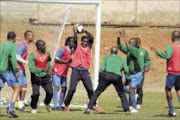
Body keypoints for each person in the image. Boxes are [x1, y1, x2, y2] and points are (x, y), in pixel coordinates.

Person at [84, 46, 130, 115]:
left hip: (107, 75)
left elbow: (102, 69)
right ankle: (127, 110)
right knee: (121, 93)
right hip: (117, 76)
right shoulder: (120, 59)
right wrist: (127, 79)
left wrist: (100, 77)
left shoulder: (107, 58)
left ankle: (88, 109)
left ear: (110, 52)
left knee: (97, 92)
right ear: (117, 52)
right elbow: (126, 70)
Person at [64, 26, 99, 112]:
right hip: (76, 70)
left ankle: (93, 105)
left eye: (86, 42)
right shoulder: (76, 47)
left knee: (90, 89)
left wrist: (85, 31)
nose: (85, 43)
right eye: (83, 41)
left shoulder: (89, 47)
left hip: (85, 71)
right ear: (81, 41)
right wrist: (75, 32)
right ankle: (66, 105)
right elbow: (75, 40)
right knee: (72, 89)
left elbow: (92, 38)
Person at [151, 30, 180, 117]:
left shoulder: (171, 46)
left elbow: (166, 55)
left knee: (168, 89)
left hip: (173, 71)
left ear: (172, 36)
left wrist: (157, 51)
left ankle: (171, 111)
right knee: (178, 89)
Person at [117, 30, 144, 113]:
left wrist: (124, 36)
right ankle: (133, 95)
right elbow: (120, 46)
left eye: (130, 42)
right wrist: (118, 38)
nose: (128, 43)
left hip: (137, 74)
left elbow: (128, 47)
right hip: (129, 73)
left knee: (132, 88)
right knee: (120, 84)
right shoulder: (129, 51)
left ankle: (134, 108)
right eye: (128, 42)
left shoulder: (136, 51)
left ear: (135, 45)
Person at [28, 40, 53, 113]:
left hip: (45, 76)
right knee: (36, 94)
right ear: (39, 47)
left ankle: (47, 102)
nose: (45, 46)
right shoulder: (33, 55)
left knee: (50, 92)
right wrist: (42, 69)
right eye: (43, 45)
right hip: (35, 77)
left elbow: (48, 61)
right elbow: (31, 68)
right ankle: (33, 108)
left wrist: (50, 70)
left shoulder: (47, 53)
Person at [0, 31, 21, 117]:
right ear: (14, 38)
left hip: (0, 70)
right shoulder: (14, 46)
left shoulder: (2, 45)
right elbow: (13, 59)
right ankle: (11, 108)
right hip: (7, 70)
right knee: (17, 88)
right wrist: (16, 70)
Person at [52, 37, 74, 110]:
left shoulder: (71, 51)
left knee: (64, 88)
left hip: (64, 72)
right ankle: (55, 106)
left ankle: (60, 105)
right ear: (67, 42)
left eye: (73, 42)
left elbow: (68, 62)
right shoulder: (63, 49)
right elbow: (56, 59)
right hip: (57, 70)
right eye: (71, 41)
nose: (73, 43)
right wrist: (66, 62)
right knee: (56, 87)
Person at [16, 30, 34, 111]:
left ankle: (21, 105)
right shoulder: (22, 45)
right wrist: (27, 62)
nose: (33, 37)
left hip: (22, 69)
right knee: (19, 87)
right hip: (18, 69)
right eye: (32, 36)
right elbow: (17, 56)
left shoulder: (26, 45)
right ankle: (13, 105)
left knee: (24, 86)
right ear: (27, 37)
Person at [135, 37, 151, 109]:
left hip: (141, 72)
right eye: (136, 42)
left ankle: (139, 102)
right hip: (132, 72)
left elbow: (147, 60)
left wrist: (147, 66)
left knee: (139, 87)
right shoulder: (131, 50)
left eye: (139, 42)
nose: (138, 44)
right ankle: (131, 102)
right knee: (132, 87)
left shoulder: (143, 51)